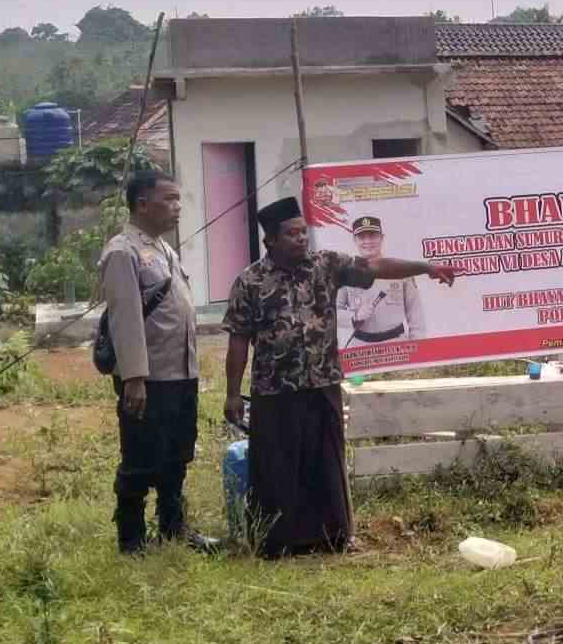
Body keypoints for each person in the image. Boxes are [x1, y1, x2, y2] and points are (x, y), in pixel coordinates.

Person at [222, 197, 456, 555]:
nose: (301, 239)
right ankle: (276, 543)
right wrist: (233, 393)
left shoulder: (326, 265)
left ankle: (332, 538)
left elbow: (377, 266)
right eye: (291, 234)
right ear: (270, 240)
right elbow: (238, 340)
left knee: (325, 464)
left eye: (303, 232)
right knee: (277, 467)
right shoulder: (250, 281)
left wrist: (425, 266)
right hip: (275, 389)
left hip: (323, 383)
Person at [97, 171, 217, 554]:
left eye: (178, 199)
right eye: (169, 199)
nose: (177, 207)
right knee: (140, 456)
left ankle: (173, 526)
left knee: (177, 453)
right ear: (143, 204)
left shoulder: (164, 249)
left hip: (180, 371)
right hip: (148, 377)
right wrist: (133, 377)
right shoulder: (122, 251)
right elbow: (126, 318)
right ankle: (131, 539)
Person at [337, 216, 426, 344]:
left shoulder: (400, 270)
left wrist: (419, 345)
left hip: (396, 343)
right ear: (354, 240)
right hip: (360, 346)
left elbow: (415, 313)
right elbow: (333, 312)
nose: (367, 241)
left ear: (382, 238)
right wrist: (354, 316)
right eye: (362, 237)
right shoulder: (345, 273)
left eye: (372, 235)